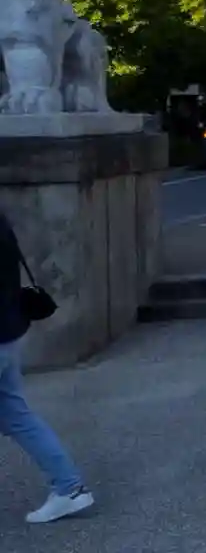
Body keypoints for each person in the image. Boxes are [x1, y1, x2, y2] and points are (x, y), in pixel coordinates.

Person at [1, 214, 94, 524]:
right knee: (17, 416)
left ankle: (70, 489)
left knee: (17, 416)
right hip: (8, 332)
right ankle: (70, 488)